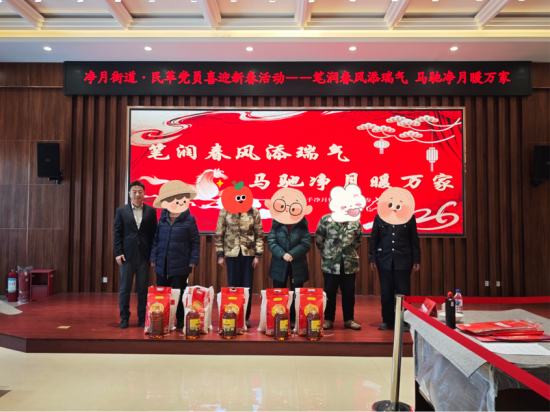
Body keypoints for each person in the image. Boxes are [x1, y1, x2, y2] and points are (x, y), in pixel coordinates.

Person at [150, 180, 200, 329]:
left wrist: (193, 260)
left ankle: (180, 320)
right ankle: (164, 320)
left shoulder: (190, 219)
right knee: (163, 294)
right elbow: (156, 240)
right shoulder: (162, 218)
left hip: (181, 264)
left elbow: (195, 242)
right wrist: (153, 257)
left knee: (180, 293)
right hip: (162, 264)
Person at [369, 187, 420, 331]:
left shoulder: (409, 216)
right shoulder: (380, 216)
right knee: (386, 292)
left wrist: (416, 260)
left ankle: (403, 321)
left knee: (403, 292)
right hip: (384, 260)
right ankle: (387, 320)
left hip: (403, 260)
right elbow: (374, 239)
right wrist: (372, 258)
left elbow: (414, 240)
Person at [315, 184, 366, 331]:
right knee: (329, 292)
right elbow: (319, 240)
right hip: (330, 264)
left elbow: (358, 240)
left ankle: (349, 319)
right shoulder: (326, 220)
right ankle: (328, 319)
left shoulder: (355, 221)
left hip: (349, 264)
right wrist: (327, 255)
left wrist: (349, 252)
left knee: (349, 292)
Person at [215, 181, 264, 328]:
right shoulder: (225, 211)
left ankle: (245, 317)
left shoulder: (254, 212)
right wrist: (220, 254)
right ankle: (233, 315)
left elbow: (259, 234)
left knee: (247, 287)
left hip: (249, 254)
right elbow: (219, 233)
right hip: (231, 253)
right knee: (233, 286)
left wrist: (258, 255)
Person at [265, 188, 313, 329]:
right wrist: (283, 254)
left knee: (296, 293)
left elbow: (306, 244)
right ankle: (279, 316)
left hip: (297, 265)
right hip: (279, 264)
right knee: (279, 292)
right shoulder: (276, 222)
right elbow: (271, 242)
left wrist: (291, 254)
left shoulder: (302, 224)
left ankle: (294, 318)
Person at [113, 181, 158, 329]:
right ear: (129, 193)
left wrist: (153, 255)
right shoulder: (121, 211)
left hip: (144, 255)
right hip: (126, 256)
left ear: (144, 193)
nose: (137, 194)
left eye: (140, 191)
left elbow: (154, 235)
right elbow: (117, 233)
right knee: (125, 288)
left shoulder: (151, 211)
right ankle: (124, 318)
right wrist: (118, 252)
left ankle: (142, 318)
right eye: (134, 191)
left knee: (143, 289)